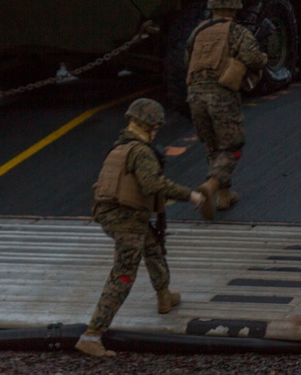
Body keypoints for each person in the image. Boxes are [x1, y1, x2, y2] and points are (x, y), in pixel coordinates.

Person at [75, 98, 205, 358]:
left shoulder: (119, 148)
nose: (156, 131)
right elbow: (153, 185)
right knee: (123, 275)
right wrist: (189, 195)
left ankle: (164, 295)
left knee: (152, 247)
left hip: (118, 213)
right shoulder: (141, 152)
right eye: (156, 126)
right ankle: (91, 335)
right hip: (125, 218)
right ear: (150, 126)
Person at [184, 0, 268, 219]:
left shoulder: (197, 32)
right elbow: (253, 57)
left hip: (195, 95)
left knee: (213, 145)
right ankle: (210, 186)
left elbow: (186, 60)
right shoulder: (237, 32)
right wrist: (263, 58)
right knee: (232, 147)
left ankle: (224, 194)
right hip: (221, 96)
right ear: (235, 7)